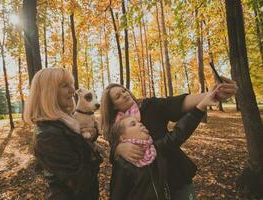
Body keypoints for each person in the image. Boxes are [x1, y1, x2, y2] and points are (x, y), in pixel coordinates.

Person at [100, 79, 237, 199]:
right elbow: (116, 160)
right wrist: (118, 149)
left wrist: (212, 95)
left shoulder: (150, 105)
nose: (125, 94)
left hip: (176, 175)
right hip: (147, 188)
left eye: (124, 91)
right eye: (118, 96)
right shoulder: (116, 127)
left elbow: (177, 104)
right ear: (112, 105)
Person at [24, 68, 101, 200]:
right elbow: (81, 181)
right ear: (48, 93)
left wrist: (93, 135)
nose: (72, 90)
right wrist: (96, 155)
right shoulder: (48, 135)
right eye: (65, 85)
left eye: (72, 84)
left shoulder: (66, 122)